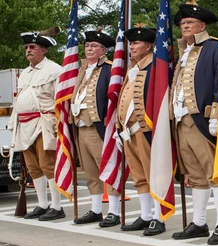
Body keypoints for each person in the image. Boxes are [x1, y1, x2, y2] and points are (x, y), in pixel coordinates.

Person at [169, 1, 218, 245]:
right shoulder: (184, 51)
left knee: (215, 173)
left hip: (203, 119)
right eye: (182, 23)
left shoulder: (216, 48)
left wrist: (216, 115)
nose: (185, 26)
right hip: (183, 119)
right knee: (195, 175)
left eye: (190, 23)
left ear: (202, 25)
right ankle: (199, 222)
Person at [9, 28, 65, 221]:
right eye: (26, 47)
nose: (28, 50)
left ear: (44, 50)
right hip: (24, 124)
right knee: (33, 167)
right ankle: (42, 204)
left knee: (47, 164)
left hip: (44, 122)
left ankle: (57, 206)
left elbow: (60, 100)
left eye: (32, 47)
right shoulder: (25, 73)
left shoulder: (55, 70)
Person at [71, 29, 121, 227]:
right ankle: (96, 209)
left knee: (108, 167)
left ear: (103, 50)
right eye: (87, 45)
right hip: (80, 126)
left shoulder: (109, 69)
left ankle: (114, 211)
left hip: (99, 127)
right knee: (90, 171)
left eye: (94, 46)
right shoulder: (82, 70)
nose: (89, 49)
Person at [118, 25, 164, 235]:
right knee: (139, 177)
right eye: (131, 44)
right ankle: (146, 215)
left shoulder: (155, 67)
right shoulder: (133, 70)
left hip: (146, 129)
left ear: (148, 46)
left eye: (136, 43)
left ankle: (158, 216)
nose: (132, 47)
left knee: (154, 175)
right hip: (129, 132)